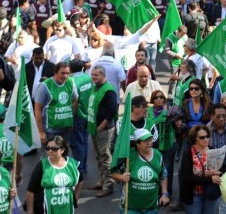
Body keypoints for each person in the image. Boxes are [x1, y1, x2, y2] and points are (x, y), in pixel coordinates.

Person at [111, 128, 170, 213]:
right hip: (130, 208)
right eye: (145, 141)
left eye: (150, 139)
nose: (149, 143)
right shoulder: (129, 156)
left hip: (152, 208)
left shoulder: (158, 155)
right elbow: (113, 174)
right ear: (137, 144)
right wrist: (121, 177)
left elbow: (163, 175)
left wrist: (164, 194)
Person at [26, 136, 81, 214]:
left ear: (62, 150)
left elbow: (80, 181)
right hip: (45, 209)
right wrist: (30, 211)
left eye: (54, 148)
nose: (50, 151)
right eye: (48, 148)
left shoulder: (72, 164)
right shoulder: (42, 165)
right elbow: (30, 191)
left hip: (67, 209)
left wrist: (75, 198)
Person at [87, 65, 118, 198]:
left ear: (103, 75)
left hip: (104, 129)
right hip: (95, 127)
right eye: (92, 75)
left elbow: (112, 110)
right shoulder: (95, 87)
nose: (93, 77)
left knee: (105, 157)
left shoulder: (109, 90)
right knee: (98, 156)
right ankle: (101, 181)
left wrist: (102, 124)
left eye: (96, 75)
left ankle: (108, 185)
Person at [180, 125, 224, 214]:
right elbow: (187, 178)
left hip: (211, 193)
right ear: (195, 138)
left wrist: (217, 172)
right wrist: (210, 179)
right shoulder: (188, 153)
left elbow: (224, 170)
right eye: (202, 137)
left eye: (207, 136)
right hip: (194, 194)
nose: (206, 139)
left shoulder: (213, 150)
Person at [34, 62, 79, 144]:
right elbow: (37, 108)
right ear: (55, 72)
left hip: (66, 128)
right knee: (51, 154)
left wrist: (70, 119)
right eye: (62, 73)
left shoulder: (71, 82)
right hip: (51, 130)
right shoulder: (45, 86)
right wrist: (40, 131)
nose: (65, 76)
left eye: (67, 73)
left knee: (63, 153)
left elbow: (75, 100)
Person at [147, 90, 176, 202]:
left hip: (168, 145)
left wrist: (166, 112)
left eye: (161, 97)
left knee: (167, 169)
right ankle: (155, 193)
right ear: (153, 100)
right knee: (154, 168)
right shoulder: (148, 111)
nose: (159, 99)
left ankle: (167, 193)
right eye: (156, 97)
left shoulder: (170, 110)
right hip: (153, 146)